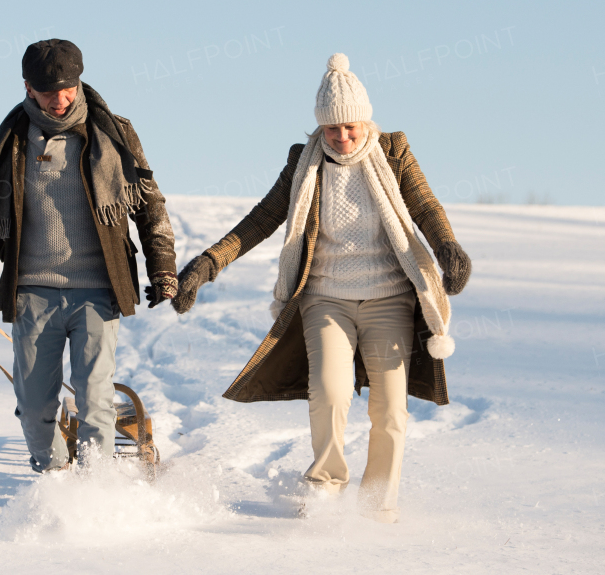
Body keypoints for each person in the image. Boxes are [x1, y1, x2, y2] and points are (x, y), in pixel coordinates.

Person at [172, 53, 471, 522]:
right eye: (332, 129)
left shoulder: (392, 152)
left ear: (365, 120)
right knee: (329, 390)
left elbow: (426, 207)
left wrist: (448, 247)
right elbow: (262, 220)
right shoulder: (305, 162)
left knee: (390, 407)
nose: (343, 137)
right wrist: (208, 263)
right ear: (320, 128)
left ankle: (378, 506)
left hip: (388, 297)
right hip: (324, 298)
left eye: (350, 127)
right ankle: (326, 487)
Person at [0, 39, 177, 472]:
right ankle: (54, 479)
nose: (60, 100)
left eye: (67, 88)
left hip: (98, 290)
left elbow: (148, 205)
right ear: (28, 87)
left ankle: (96, 490)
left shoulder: (113, 134)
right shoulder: (13, 144)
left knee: (95, 399)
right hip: (33, 293)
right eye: (48, 91)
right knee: (33, 405)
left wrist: (163, 269)